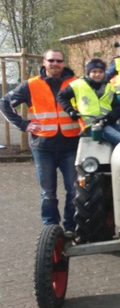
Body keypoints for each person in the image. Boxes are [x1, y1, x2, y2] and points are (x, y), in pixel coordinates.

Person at [0, 50, 80, 232]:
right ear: (44, 62)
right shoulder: (31, 85)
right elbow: (4, 102)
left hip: (72, 145)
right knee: (48, 193)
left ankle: (71, 228)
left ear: (64, 63)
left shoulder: (76, 83)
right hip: (43, 146)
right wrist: (23, 124)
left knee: (75, 190)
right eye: (51, 60)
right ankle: (51, 230)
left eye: (59, 61)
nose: (55, 64)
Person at [57, 58, 120, 145]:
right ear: (88, 73)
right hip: (92, 126)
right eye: (94, 71)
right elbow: (61, 96)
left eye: (100, 71)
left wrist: (108, 119)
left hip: (108, 122)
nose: (97, 74)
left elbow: (117, 107)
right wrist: (70, 111)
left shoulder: (109, 86)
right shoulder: (78, 84)